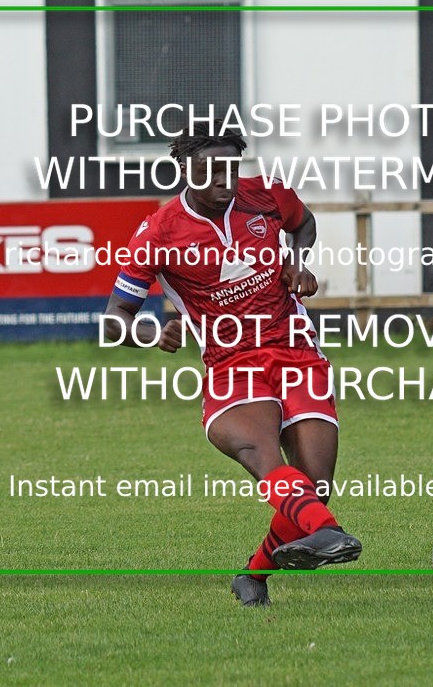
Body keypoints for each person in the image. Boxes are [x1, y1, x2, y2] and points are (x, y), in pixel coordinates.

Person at [103, 120, 361, 607]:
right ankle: (328, 533)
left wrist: (296, 260)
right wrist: (153, 333)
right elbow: (114, 319)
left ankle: (253, 576)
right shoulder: (158, 232)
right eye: (211, 172)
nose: (225, 182)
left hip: (296, 348)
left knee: (313, 489)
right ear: (184, 170)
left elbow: (303, 223)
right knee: (272, 464)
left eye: (231, 168)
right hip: (231, 361)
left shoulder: (266, 196)